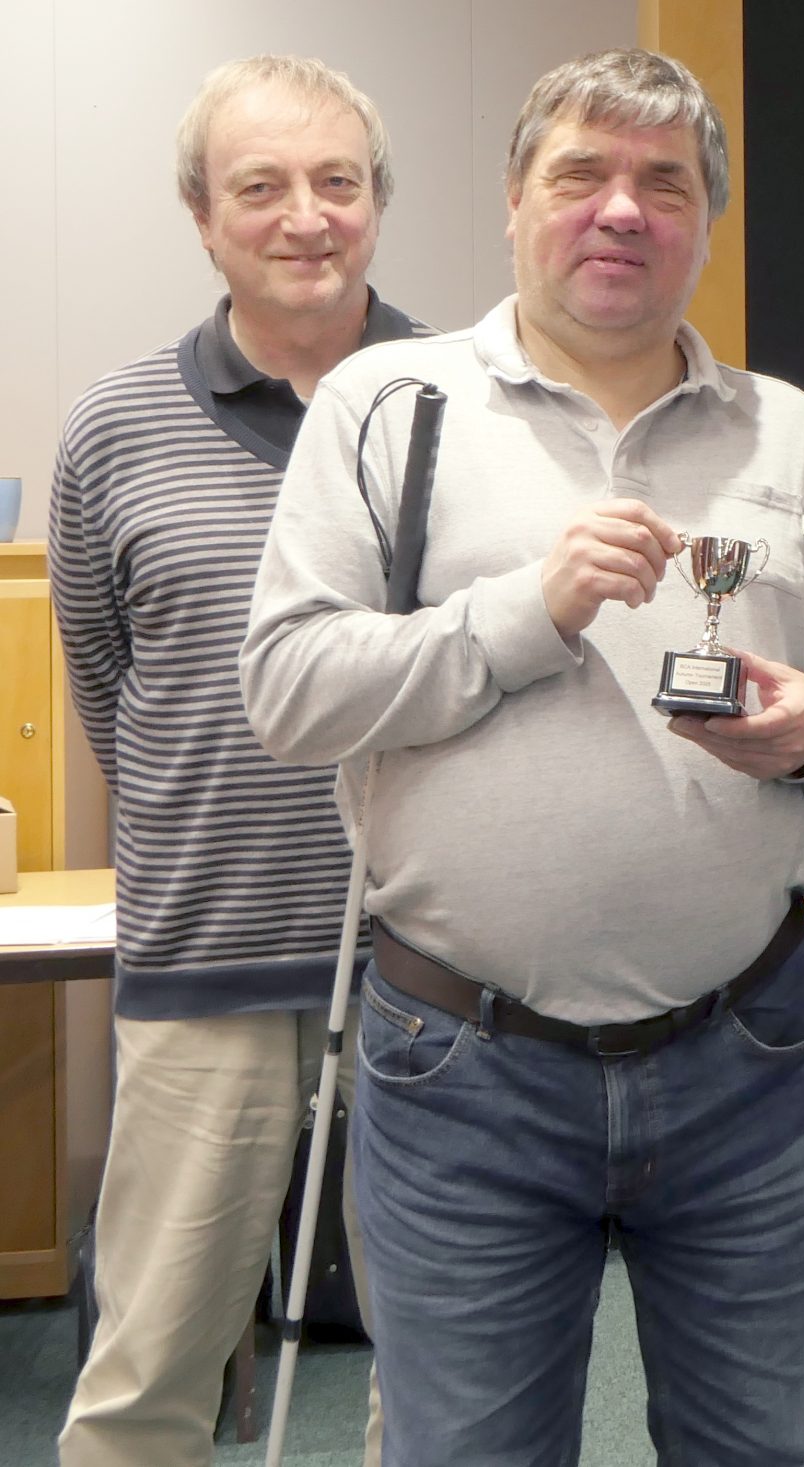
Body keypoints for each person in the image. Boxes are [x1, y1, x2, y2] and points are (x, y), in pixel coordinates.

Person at [238, 49, 804, 1465]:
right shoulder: (386, 408)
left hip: (756, 1060)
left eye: (663, 183)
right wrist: (525, 614)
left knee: (772, 1451)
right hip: (462, 1070)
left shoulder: (793, 433)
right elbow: (290, 691)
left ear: (707, 220)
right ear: (513, 202)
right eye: (582, 176)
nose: (622, 210)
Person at [48, 53, 423, 1467]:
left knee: (443, 1374)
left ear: (377, 202)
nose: (304, 217)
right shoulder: (115, 428)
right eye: (260, 187)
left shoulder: (463, 400)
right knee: (148, 1374)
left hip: (434, 970)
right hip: (204, 970)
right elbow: (110, 686)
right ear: (203, 216)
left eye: (337, 182)